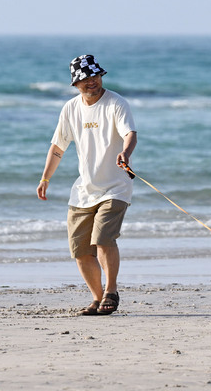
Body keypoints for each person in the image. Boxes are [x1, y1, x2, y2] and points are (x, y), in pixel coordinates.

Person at [37, 54, 137, 316]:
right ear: (75, 84)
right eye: (84, 79)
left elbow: (130, 133)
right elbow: (58, 147)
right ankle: (97, 297)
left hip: (115, 187)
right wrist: (45, 178)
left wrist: (125, 154)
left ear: (101, 76)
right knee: (81, 251)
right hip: (83, 191)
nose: (90, 82)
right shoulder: (70, 108)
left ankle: (111, 291)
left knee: (103, 239)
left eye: (94, 76)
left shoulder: (116, 103)